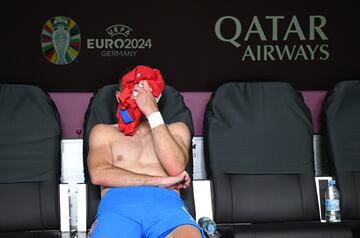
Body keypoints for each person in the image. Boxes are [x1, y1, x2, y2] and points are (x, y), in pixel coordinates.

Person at [87, 66, 204, 238]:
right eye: (134, 91)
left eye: (146, 91)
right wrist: (159, 180)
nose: (139, 96)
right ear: (119, 97)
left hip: (166, 208)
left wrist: (152, 112)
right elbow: (99, 174)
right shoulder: (104, 132)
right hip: (118, 208)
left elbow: (176, 168)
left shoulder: (177, 130)